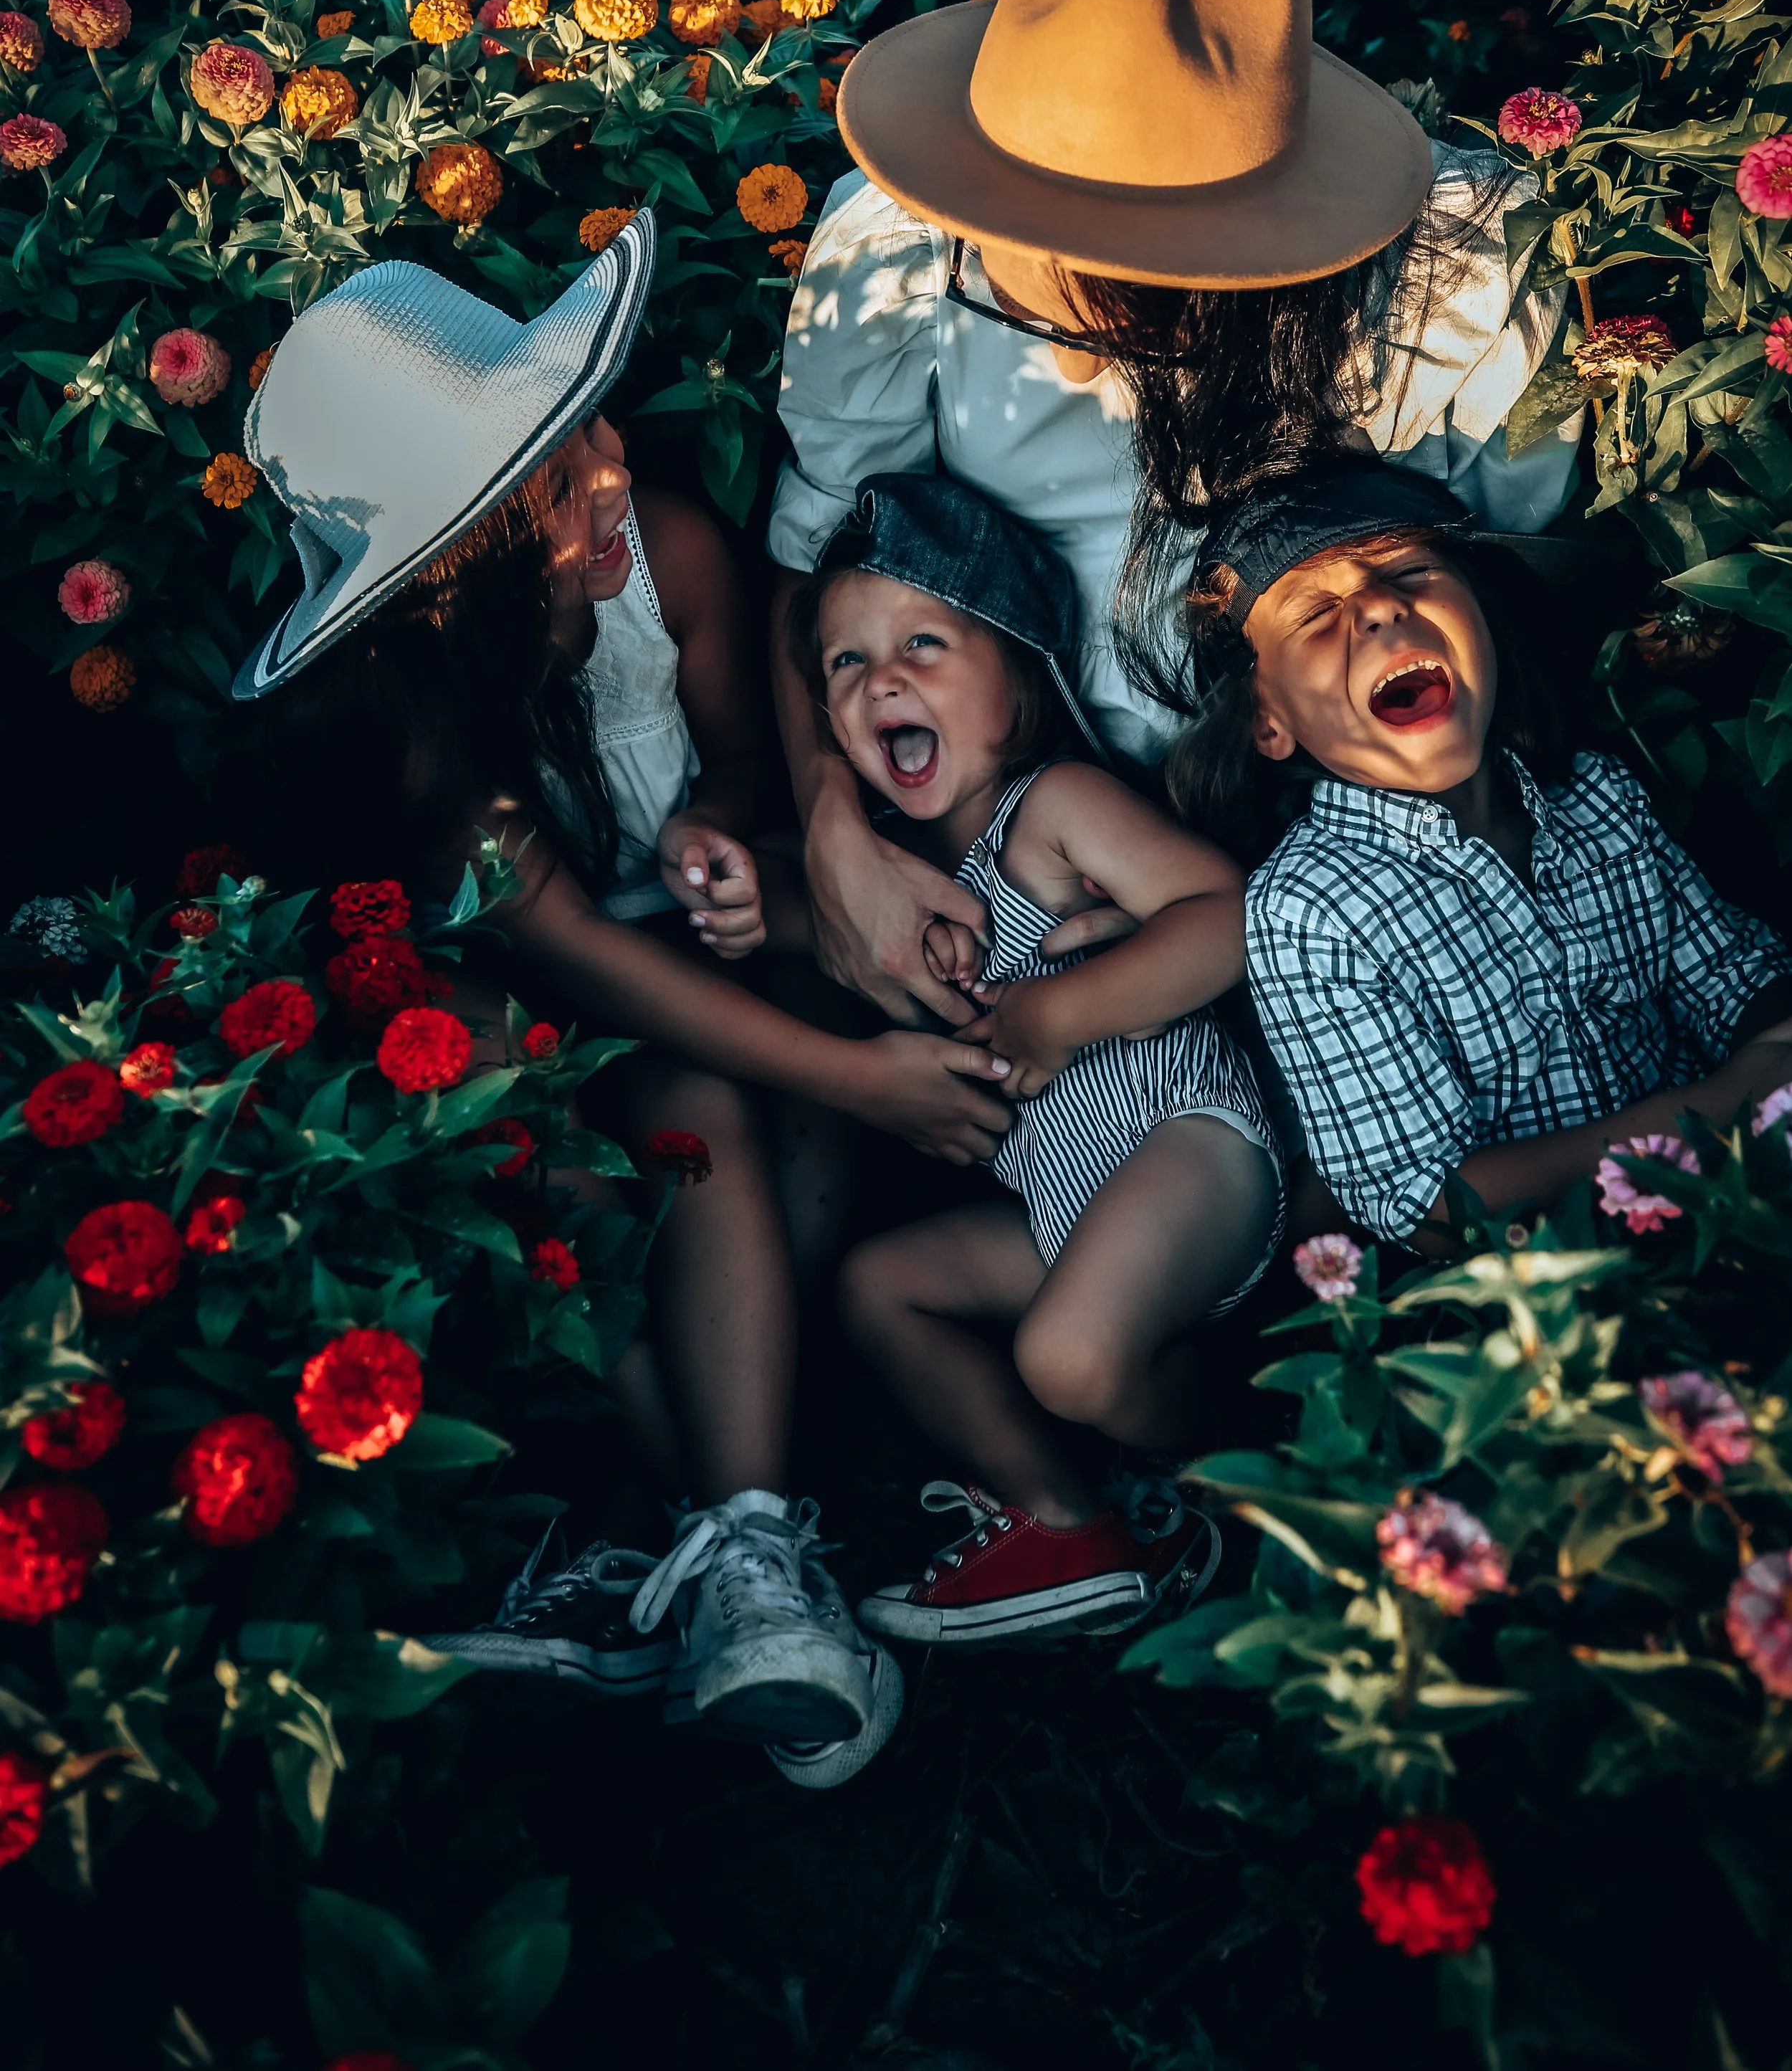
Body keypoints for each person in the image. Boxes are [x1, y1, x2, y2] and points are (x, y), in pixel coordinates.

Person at [232, 217, 1015, 1789]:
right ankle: (751, 1562)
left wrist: (715, 820)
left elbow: (740, 745)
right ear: (448, 572)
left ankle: (694, 1559)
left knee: (735, 1137)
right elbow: (571, 951)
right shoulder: (419, 715)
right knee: (673, 1131)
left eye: (583, 421)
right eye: (546, 479)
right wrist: (869, 1088)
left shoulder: (667, 547)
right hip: (557, 1033)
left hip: (732, 976)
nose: (603, 471)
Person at [767, 0, 1586, 1033]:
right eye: (994, 219)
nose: (995, 260)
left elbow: (1541, 593)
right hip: (1040, 845)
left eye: (1046, 263)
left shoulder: (1447, 287)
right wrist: (829, 829)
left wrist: (1259, 911)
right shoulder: (903, 256)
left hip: (1368, 869)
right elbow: (811, 555)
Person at [789, 475, 1280, 1642]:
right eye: (844, 665)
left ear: (1018, 681)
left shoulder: (1049, 811)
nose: (882, 680)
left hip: (1190, 1148)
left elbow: (1234, 917)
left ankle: (1243, 1468)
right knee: (880, 1288)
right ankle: (1067, 1515)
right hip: (1064, 1206)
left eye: (923, 642)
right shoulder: (887, 893)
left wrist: (1062, 1015)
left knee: (1067, 1356)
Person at [1167, 460, 1792, 1258]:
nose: (1381, 609)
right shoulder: (1309, 911)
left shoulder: (1596, 797)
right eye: (1318, 612)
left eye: (1410, 570)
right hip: (1555, 1304)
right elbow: (1426, 1204)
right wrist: (1711, 1112)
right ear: (1268, 723)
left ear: (1486, 624)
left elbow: (1730, 976)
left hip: (1745, 1207)